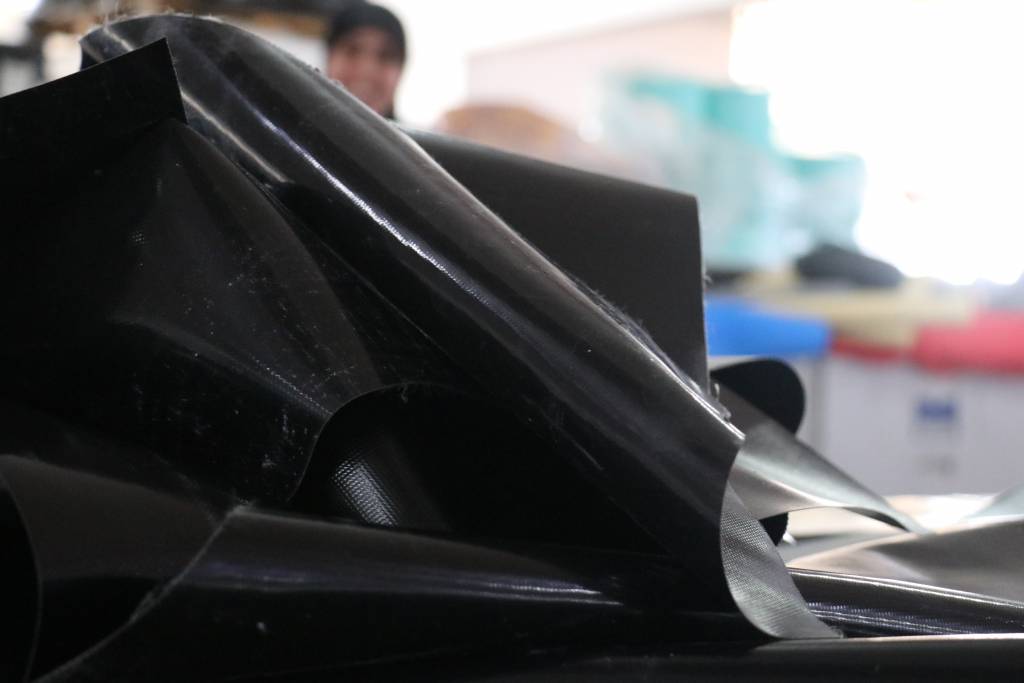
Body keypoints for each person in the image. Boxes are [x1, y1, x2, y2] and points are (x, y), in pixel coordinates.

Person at [325, 1, 406, 119]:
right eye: (353, 50)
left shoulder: (413, 132)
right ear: (329, 57)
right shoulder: (295, 127)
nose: (366, 70)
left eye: (385, 56)